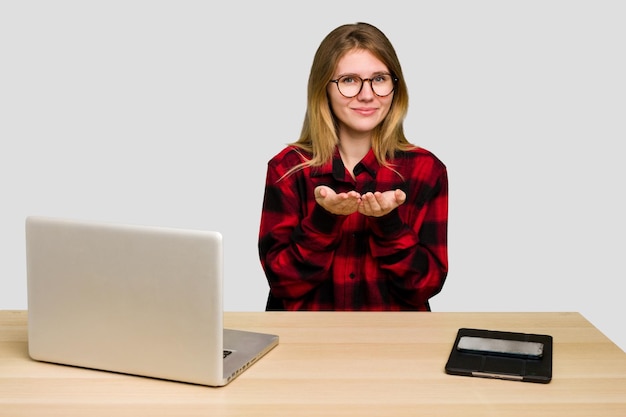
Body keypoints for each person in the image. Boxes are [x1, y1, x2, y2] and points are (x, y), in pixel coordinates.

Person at [258, 22, 448, 311]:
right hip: (305, 347)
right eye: (349, 80)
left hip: (395, 347)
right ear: (324, 88)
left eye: (379, 79)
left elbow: (425, 287)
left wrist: (389, 224)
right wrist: (324, 220)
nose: (367, 95)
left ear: (395, 87)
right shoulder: (287, 168)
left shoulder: (426, 170)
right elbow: (283, 284)